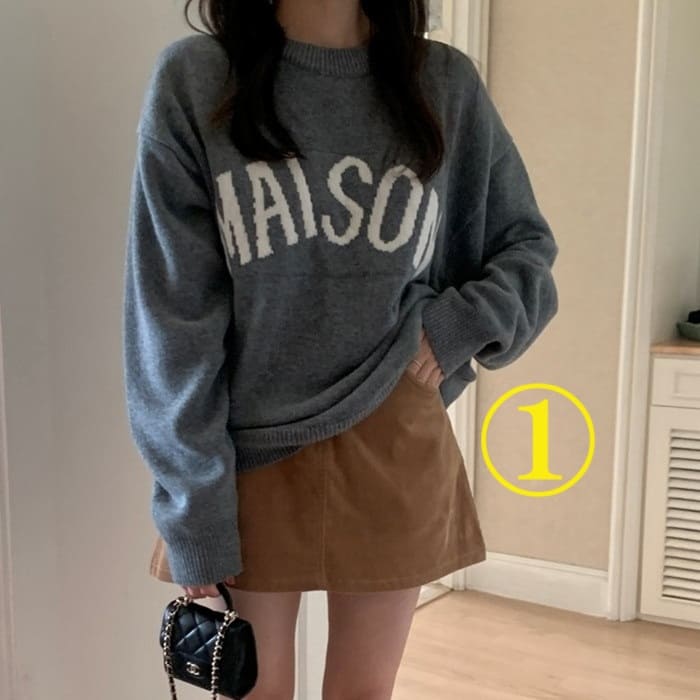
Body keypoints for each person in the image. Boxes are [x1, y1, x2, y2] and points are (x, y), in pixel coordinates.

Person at [122, 0, 559, 697]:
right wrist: (192, 504)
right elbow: (172, 317)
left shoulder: (442, 84)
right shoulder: (197, 80)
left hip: (394, 436)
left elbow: (525, 250)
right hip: (249, 453)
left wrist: (457, 326)